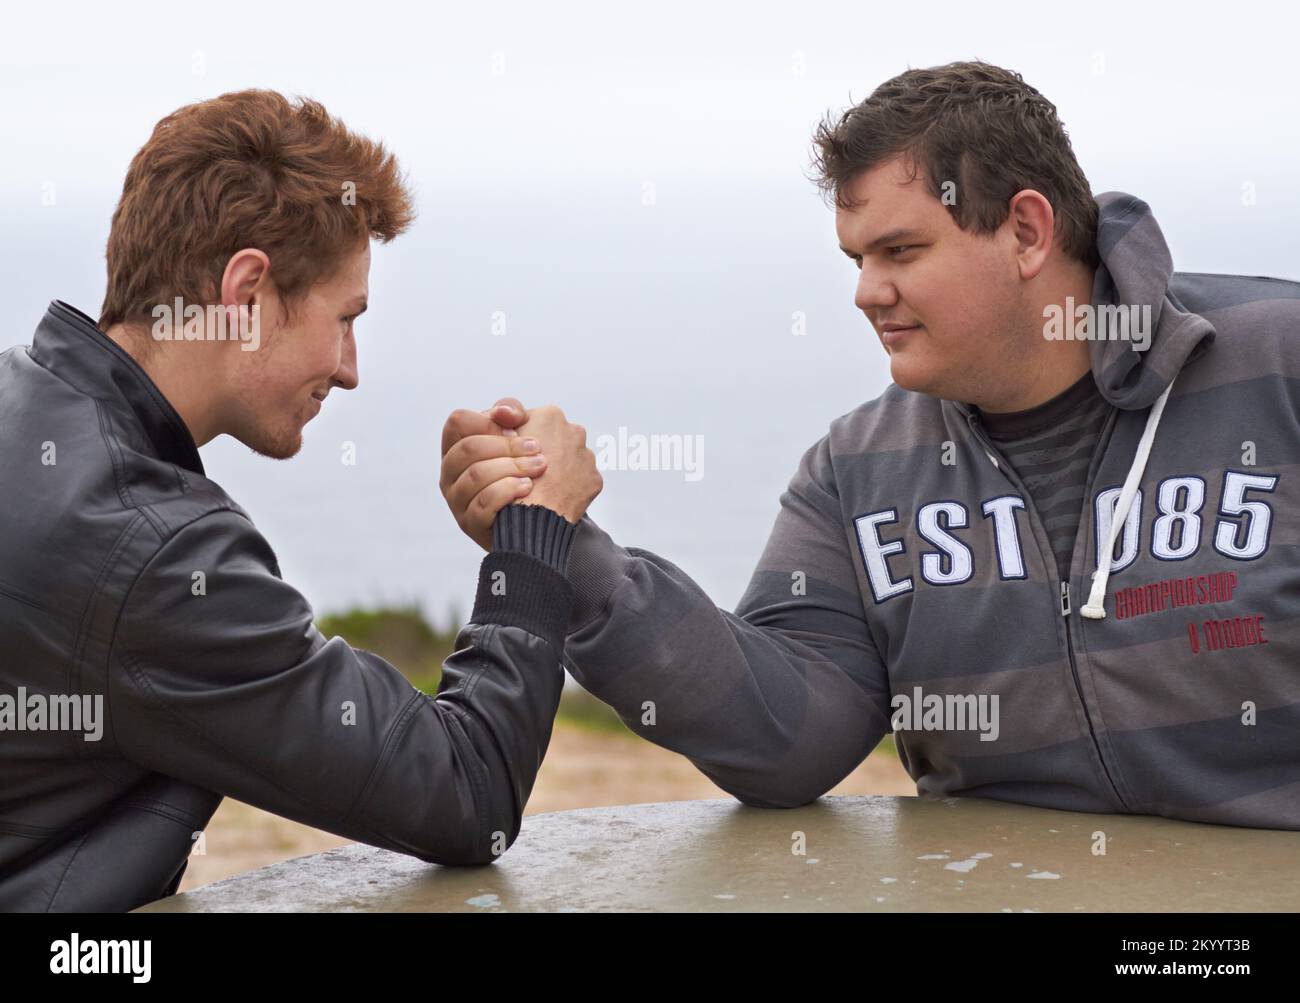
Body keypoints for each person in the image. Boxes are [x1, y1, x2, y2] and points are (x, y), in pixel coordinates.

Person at [442, 61, 1300, 830]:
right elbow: (789, 738)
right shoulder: (856, 468)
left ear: (1028, 232)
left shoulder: (1278, 364)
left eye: (901, 250)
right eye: (857, 256)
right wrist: (569, 550)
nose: (864, 291)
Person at [0, 90, 600, 912]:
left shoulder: (20, 397)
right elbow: (467, 793)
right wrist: (534, 539)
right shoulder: (147, 550)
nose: (350, 367)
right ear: (247, 292)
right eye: (344, 317)